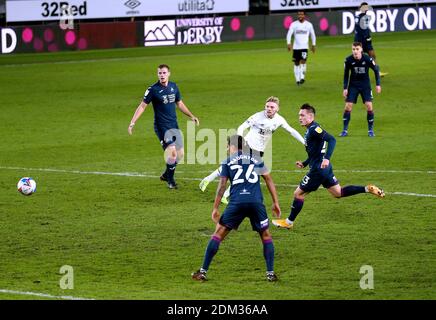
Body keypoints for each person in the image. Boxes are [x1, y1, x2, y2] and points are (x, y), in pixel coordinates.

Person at [272, 104, 385, 230]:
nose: (299, 118)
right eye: (299, 115)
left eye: (302, 115)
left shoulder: (314, 129)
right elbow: (315, 151)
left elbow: (332, 140)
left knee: (298, 194)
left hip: (318, 170)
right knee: (338, 193)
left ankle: (289, 221)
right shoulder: (310, 129)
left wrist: (326, 158)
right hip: (325, 168)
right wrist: (305, 163)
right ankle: (367, 189)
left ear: (310, 116)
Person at [192, 135, 281, 282]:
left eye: (228, 146)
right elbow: (269, 179)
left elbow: (222, 186)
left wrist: (215, 207)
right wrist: (275, 202)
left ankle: (202, 272)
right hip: (256, 203)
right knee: (265, 235)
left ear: (232, 146)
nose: (227, 149)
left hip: (237, 203)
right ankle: (270, 274)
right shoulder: (256, 158)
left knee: (218, 234)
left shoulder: (227, 162)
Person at [198, 96, 305, 204]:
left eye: (272, 107)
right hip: (247, 146)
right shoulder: (257, 117)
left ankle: (208, 180)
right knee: (244, 172)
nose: (269, 109)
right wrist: (239, 143)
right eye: (267, 106)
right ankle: (223, 193)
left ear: (277, 109)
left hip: (259, 151)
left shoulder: (279, 120)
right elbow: (241, 127)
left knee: (240, 170)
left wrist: (304, 142)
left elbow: (291, 131)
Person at [128, 64, 199, 189]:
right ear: (157, 74)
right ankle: (171, 181)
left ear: (169, 74)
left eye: (164, 73)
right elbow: (142, 106)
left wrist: (191, 115)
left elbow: (180, 103)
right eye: (160, 73)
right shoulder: (153, 90)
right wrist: (133, 122)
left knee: (180, 154)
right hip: (161, 127)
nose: (162, 75)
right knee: (172, 154)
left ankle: (167, 174)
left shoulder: (174, 87)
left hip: (174, 125)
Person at [340, 42, 381, 138]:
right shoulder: (348, 60)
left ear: (361, 50)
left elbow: (376, 70)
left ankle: (370, 130)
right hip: (353, 86)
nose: (355, 51)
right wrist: (345, 88)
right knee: (348, 106)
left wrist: (378, 84)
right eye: (353, 49)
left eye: (357, 49)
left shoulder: (367, 59)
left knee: (369, 106)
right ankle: (344, 130)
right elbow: (346, 74)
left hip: (365, 86)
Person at [286, 10, 316, 86]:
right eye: (299, 14)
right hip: (296, 47)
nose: (300, 16)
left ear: (304, 15)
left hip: (304, 47)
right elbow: (289, 34)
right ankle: (297, 80)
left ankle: (302, 78)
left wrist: (313, 44)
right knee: (296, 63)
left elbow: (313, 35)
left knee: (303, 61)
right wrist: (288, 43)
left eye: (301, 14)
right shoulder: (294, 24)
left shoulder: (309, 25)